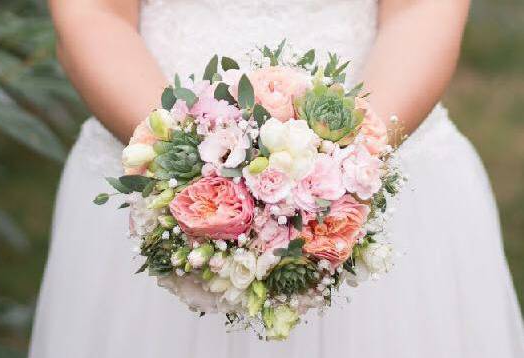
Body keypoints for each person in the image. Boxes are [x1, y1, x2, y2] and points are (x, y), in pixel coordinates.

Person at [29, 0, 524, 357]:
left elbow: (422, 9)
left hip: (382, 134)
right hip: (144, 130)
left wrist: (345, 165)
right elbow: (92, 12)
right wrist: (181, 169)